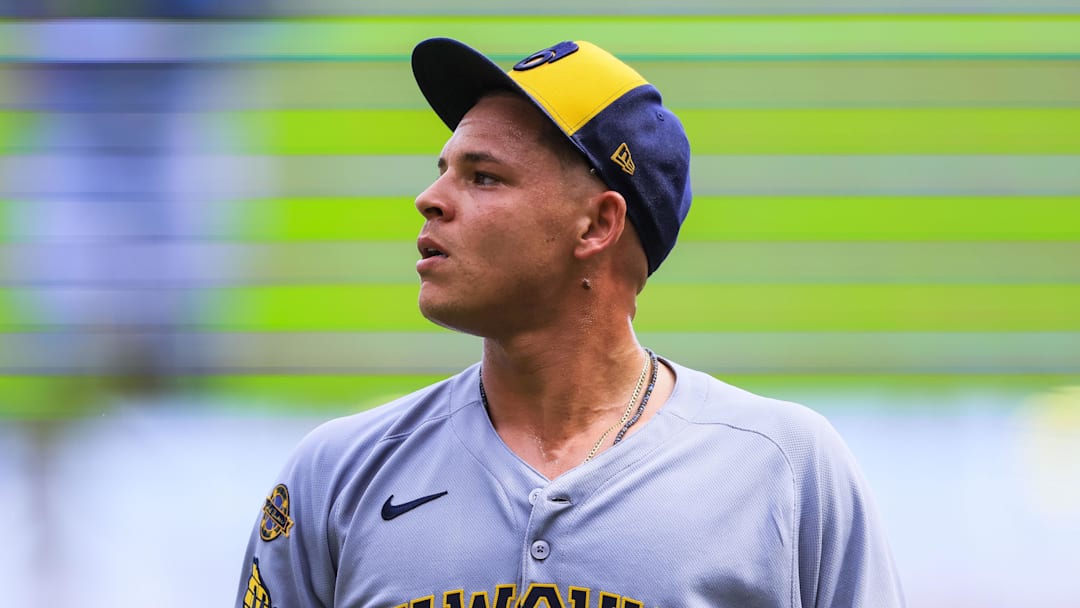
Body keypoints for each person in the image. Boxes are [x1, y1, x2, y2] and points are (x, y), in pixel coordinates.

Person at [236, 37, 905, 608]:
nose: (429, 199)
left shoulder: (782, 469)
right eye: (442, 171)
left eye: (484, 177)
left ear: (598, 224)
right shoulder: (338, 472)